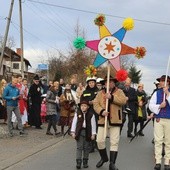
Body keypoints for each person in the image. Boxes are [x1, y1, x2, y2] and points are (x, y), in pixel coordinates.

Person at [93, 75, 127, 170]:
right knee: (99, 140)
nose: (109, 84)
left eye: (111, 82)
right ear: (104, 84)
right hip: (103, 120)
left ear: (114, 83)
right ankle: (104, 158)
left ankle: (112, 163)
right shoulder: (100, 93)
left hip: (115, 120)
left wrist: (111, 97)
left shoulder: (119, 91)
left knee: (114, 142)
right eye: (107, 82)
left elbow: (123, 101)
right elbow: (95, 104)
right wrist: (101, 111)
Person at [149, 75, 170, 170]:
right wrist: (159, 106)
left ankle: (167, 162)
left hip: (169, 119)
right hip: (159, 119)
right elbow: (151, 105)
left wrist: (168, 94)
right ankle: (158, 161)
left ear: (168, 82)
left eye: (163, 81)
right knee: (158, 141)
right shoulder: (156, 93)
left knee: (168, 142)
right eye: (161, 81)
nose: (161, 82)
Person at [71, 100, 96, 169]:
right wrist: (73, 132)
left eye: (85, 106)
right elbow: (74, 123)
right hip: (79, 132)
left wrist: (93, 134)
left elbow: (93, 125)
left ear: (88, 107)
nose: (83, 107)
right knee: (79, 147)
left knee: (86, 148)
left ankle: (85, 161)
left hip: (88, 132)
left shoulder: (91, 115)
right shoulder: (77, 113)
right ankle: (78, 162)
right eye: (82, 106)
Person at [80, 76, 99, 153]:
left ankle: (96, 143)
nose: (91, 84)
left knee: (95, 128)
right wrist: (87, 103)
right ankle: (90, 145)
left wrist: (94, 102)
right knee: (89, 128)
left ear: (95, 83)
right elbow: (82, 101)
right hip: (88, 112)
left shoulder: (98, 91)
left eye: (93, 82)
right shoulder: (85, 92)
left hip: (96, 112)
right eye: (90, 83)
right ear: (88, 84)